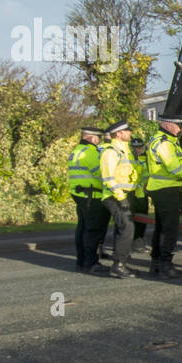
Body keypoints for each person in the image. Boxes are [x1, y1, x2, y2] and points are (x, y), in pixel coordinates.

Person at [145, 114, 182, 279]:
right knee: (169, 229)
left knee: (160, 228)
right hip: (165, 189)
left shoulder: (165, 141)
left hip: (162, 189)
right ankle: (166, 266)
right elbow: (174, 167)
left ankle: (156, 263)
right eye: (177, 125)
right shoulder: (164, 143)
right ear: (166, 125)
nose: (179, 129)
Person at [99, 120, 139, 279]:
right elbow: (108, 179)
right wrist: (121, 198)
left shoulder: (124, 150)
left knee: (123, 229)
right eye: (127, 131)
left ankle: (121, 263)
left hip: (124, 195)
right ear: (119, 134)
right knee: (127, 228)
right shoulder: (111, 152)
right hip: (114, 196)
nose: (130, 133)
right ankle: (118, 266)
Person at [68, 126, 109, 274]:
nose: (99, 142)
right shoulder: (90, 153)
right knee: (93, 230)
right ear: (92, 138)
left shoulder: (76, 152)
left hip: (80, 195)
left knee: (82, 229)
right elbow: (101, 173)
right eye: (99, 139)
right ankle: (91, 263)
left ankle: (81, 261)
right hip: (93, 196)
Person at [130, 137, 149, 253]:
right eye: (135, 147)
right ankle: (133, 244)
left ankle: (139, 243)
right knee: (132, 221)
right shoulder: (130, 158)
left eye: (140, 147)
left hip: (143, 194)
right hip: (133, 194)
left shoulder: (146, 158)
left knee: (142, 220)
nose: (138, 150)